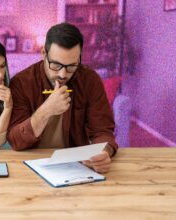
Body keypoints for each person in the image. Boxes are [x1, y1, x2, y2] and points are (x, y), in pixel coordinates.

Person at [7, 23, 118, 173]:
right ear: (43, 54)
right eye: (56, 65)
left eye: (72, 66)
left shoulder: (90, 80)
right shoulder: (21, 83)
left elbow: (103, 131)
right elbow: (16, 141)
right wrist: (46, 110)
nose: (63, 74)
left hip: (77, 166)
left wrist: (103, 153)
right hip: (29, 164)